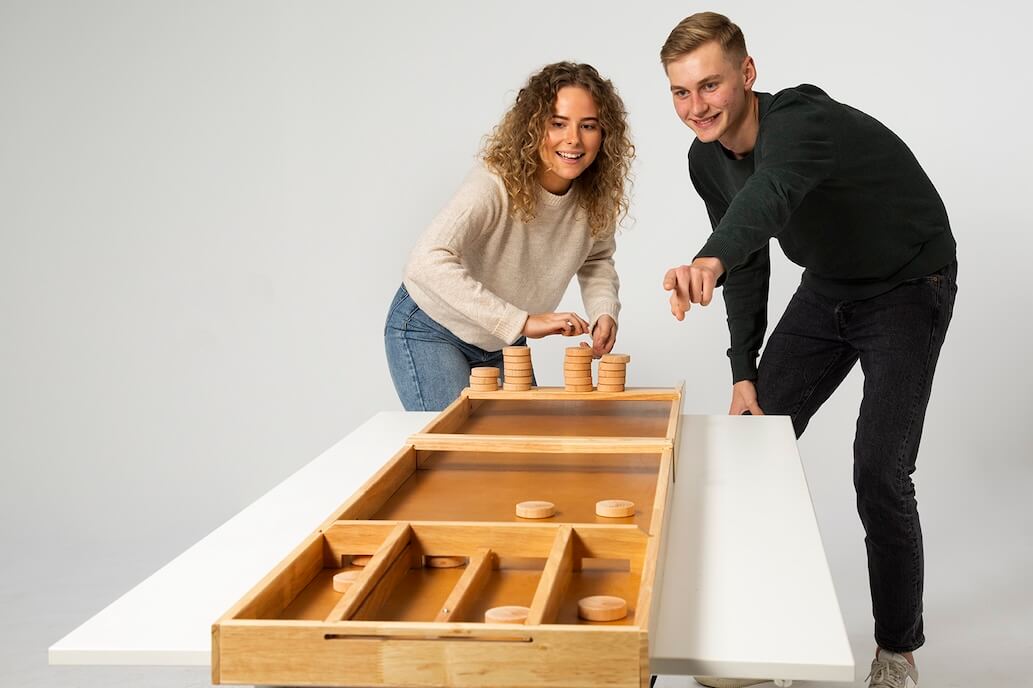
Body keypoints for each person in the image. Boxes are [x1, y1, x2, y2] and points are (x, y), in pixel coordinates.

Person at [659, 12, 956, 688]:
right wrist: (742, 372)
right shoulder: (703, 159)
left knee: (878, 471)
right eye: (680, 93)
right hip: (828, 289)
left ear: (747, 74)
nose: (695, 107)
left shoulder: (799, 122)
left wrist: (708, 257)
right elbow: (749, 259)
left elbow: (768, 197)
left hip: (909, 282)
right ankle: (755, 637)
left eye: (709, 86)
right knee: (744, 444)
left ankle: (895, 650)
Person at [385, 62, 633, 411]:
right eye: (557, 124)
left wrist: (604, 312)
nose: (574, 139)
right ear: (533, 127)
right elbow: (424, 263)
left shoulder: (595, 197)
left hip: (502, 341)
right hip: (432, 327)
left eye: (588, 126)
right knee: (460, 457)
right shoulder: (493, 185)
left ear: (604, 134)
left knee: (520, 451)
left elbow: (596, 259)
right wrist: (524, 322)